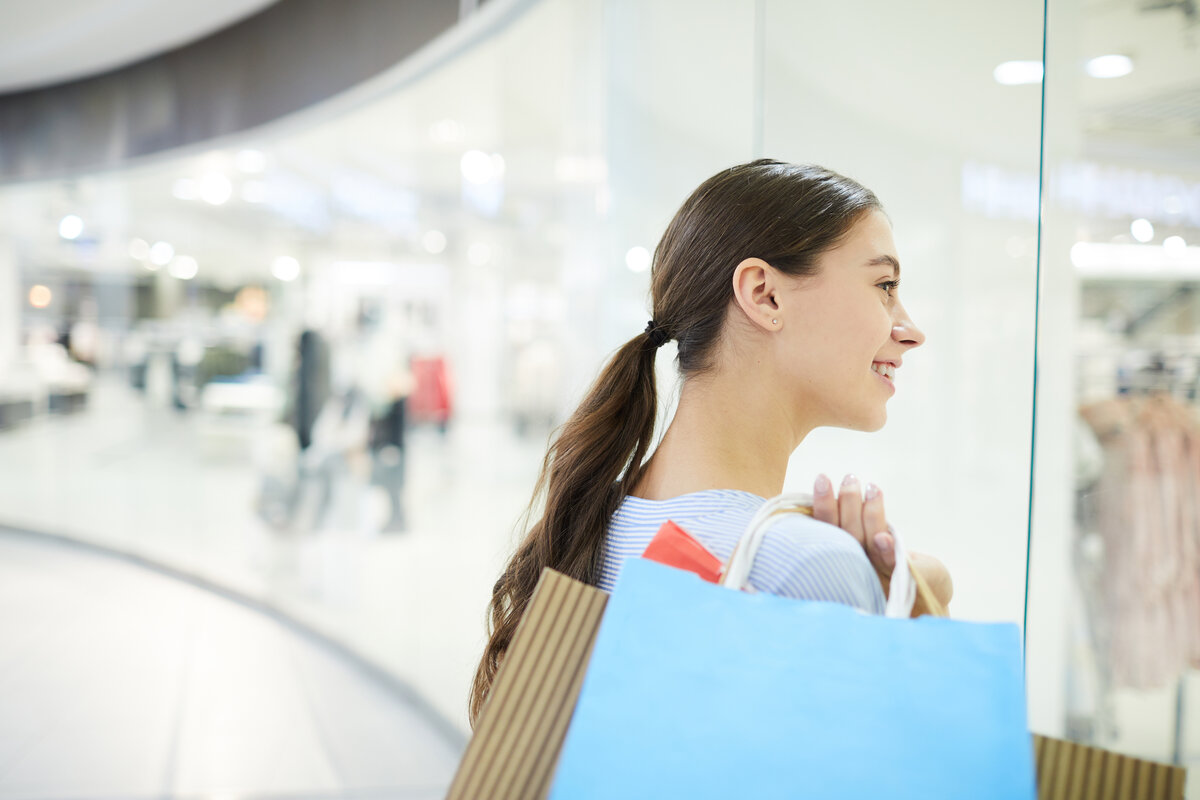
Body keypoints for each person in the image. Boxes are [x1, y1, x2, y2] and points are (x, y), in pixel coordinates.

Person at [469, 159, 953, 725]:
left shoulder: (599, 523)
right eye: (884, 286)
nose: (911, 329)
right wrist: (923, 605)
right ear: (764, 294)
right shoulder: (804, 568)